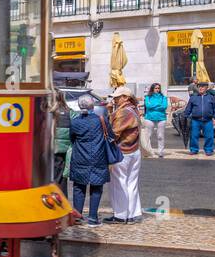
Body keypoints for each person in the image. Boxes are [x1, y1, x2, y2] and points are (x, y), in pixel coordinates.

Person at [67, 94, 111, 225]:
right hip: (98, 157)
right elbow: (110, 135)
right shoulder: (101, 120)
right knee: (96, 187)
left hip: (80, 157)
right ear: (92, 105)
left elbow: (72, 138)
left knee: (79, 187)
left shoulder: (75, 122)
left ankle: (78, 216)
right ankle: (92, 217)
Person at [107, 86, 143, 223]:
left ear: (125, 97)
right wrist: (111, 111)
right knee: (131, 183)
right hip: (134, 150)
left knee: (119, 183)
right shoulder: (134, 109)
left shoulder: (123, 112)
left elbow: (114, 133)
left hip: (123, 152)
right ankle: (133, 214)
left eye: (117, 97)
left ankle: (121, 215)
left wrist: (110, 114)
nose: (115, 99)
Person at [181, 80, 215, 156]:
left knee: (209, 136)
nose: (201, 88)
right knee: (194, 136)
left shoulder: (211, 97)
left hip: (208, 120)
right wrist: (185, 117)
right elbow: (188, 108)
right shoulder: (193, 97)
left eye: (203, 87)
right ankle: (194, 149)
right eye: (199, 87)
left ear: (206, 88)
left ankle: (208, 150)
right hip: (195, 120)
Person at [142, 83, 169, 158]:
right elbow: (148, 106)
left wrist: (154, 106)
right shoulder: (148, 97)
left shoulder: (163, 97)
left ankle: (160, 152)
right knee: (148, 135)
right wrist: (158, 105)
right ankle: (147, 151)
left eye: (158, 88)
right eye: (156, 88)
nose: (157, 90)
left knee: (160, 136)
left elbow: (164, 106)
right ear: (152, 89)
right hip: (150, 118)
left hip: (161, 118)